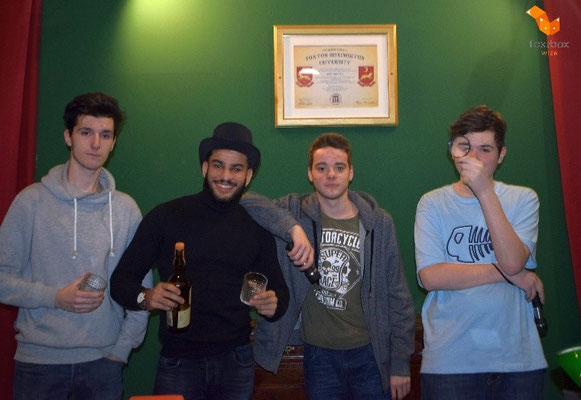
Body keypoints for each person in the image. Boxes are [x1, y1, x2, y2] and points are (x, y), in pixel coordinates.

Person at [110, 122, 289, 400]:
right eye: (218, 165)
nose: (226, 176)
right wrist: (147, 297)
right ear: (205, 168)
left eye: (236, 169)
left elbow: (281, 296)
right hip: (178, 362)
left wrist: (272, 304)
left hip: (237, 361)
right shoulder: (165, 217)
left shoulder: (257, 227)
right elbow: (120, 282)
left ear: (248, 176)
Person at [0, 92, 152, 399]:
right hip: (39, 365)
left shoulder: (125, 210)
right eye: (86, 132)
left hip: (103, 366)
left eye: (105, 135)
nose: (95, 143)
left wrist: (122, 349)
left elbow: (142, 290)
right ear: (68, 137)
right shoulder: (31, 202)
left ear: (113, 142)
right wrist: (55, 297)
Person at [241, 133, 416, 400]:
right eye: (321, 168)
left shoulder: (379, 223)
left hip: (370, 354)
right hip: (318, 355)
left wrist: (400, 362)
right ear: (310, 174)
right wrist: (293, 229)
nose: (331, 175)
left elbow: (399, 296)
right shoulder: (294, 211)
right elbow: (247, 200)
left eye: (339, 167)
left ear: (351, 172)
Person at [414, 105, 547, 399]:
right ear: (454, 152)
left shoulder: (523, 199)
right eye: (466, 147)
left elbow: (513, 261)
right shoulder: (432, 203)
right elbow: (431, 277)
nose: (473, 158)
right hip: (450, 361)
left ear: (501, 155)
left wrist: (485, 191)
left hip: (517, 361)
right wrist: (513, 276)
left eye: (485, 149)